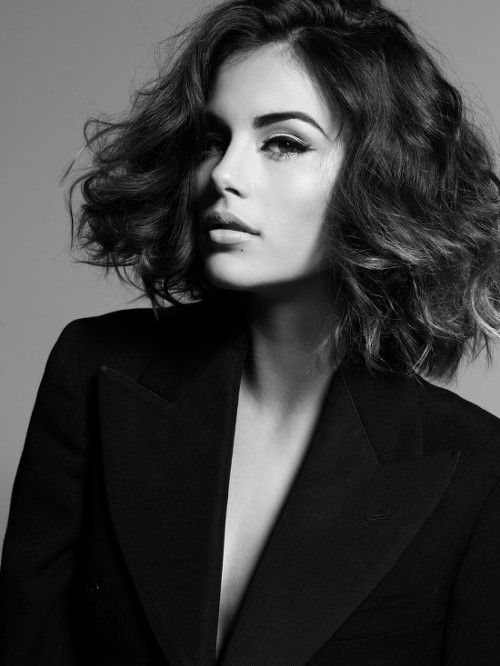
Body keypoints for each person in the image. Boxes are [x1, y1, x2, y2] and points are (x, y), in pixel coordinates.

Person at [1, 0, 500, 663]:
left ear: (382, 174)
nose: (223, 175)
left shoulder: (476, 464)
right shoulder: (95, 369)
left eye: (283, 143)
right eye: (215, 140)